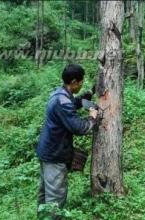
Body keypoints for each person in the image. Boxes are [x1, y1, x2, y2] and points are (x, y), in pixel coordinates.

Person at [36, 64, 98, 219]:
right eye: (81, 82)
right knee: (55, 199)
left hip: (47, 152)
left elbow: (74, 103)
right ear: (74, 82)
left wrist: (90, 93)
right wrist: (92, 117)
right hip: (55, 156)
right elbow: (80, 128)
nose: (82, 84)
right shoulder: (62, 102)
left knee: (44, 196)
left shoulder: (59, 94)